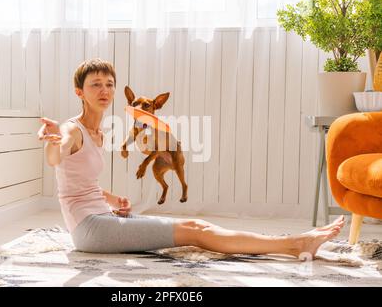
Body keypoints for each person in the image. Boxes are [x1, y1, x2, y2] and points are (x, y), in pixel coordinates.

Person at [37, 58, 345, 259]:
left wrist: (112, 198)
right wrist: (54, 142)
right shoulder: (71, 129)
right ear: (79, 92)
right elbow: (57, 156)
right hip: (92, 230)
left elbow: (78, 182)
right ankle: (295, 245)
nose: (104, 90)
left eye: (109, 84)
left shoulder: (98, 132)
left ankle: (292, 242)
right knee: (196, 232)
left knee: (195, 225)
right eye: (95, 84)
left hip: (102, 216)